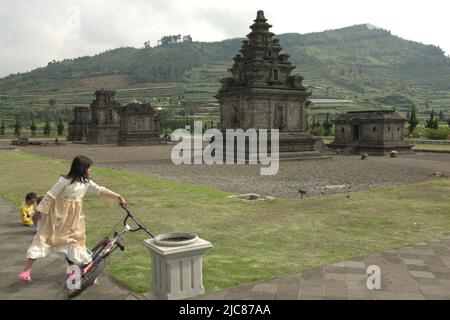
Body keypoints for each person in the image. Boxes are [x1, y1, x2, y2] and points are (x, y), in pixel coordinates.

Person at [18, 155, 127, 282]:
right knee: (44, 238)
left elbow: (99, 190)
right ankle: (27, 270)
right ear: (81, 168)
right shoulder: (64, 181)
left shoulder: (86, 183)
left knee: (76, 243)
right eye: (88, 168)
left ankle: (84, 273)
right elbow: (50, 196)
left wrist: (118, 196)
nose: (90, 170)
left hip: (75, 219)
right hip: (59, 218)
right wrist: (38, 212)